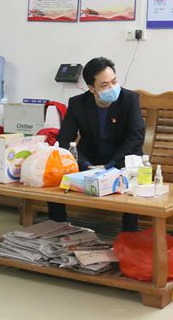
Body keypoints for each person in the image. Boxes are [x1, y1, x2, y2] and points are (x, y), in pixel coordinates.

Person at [47, 57, 145, 231]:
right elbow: (64, 140)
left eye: (114, 81)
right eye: (105, 85)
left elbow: (136, 137)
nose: (112, 88)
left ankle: (129, 234)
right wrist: (85, 164)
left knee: (133, 175)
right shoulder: (77, 103)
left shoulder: (129, 99)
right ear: (92, 88)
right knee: (56, 177)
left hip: (121, 160)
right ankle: (57, 230)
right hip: (89, 162)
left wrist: (110, 165)